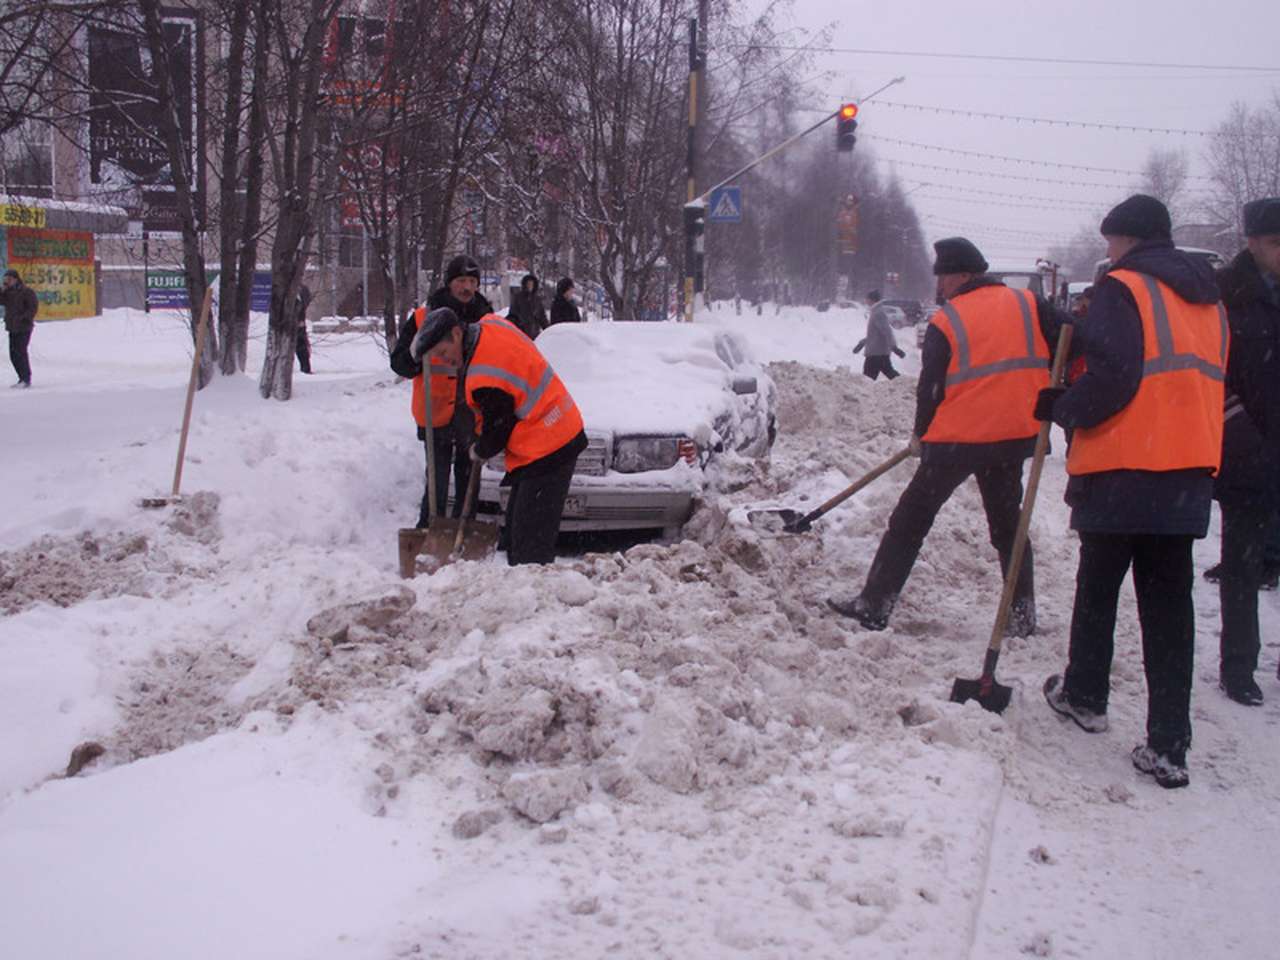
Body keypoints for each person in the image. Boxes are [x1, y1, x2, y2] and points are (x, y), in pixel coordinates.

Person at [1036, 194, 1225, 790]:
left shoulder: (1124, 287)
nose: (1109, 251)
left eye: (1111, 241)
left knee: (1098, 587)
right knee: (1169, 608)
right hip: (1186, 470)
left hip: (1123, 465)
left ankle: (1085, 694)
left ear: (1129, 239)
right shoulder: (1209, 298)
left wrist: (1064, 406)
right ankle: (1169, 744)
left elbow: (1115, 376)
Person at [828, 237, 1059, 636]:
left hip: (958, 441)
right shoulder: (1030, 305)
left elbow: (931, 388)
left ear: (964, 276)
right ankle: (1022, 616)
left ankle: (875, 603)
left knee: (909, 520)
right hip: (1012, 436)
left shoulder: (948, 320)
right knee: (1010, 527)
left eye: (945, 278)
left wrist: (921, 434)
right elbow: (1070, 340)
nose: (941, 286)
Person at [413, 309, 588, 565]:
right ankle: (527, 578)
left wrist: (479, 450)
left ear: (457, 333)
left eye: (443, 351)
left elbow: (498, 429)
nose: (444, 359)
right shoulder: (490, 325)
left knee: (529, 545)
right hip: (554, 430)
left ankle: (534, 585)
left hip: (550, 444)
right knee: (517, 535)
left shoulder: (484, 375)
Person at [1208, 197, 1280, 704]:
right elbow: (1211, 375)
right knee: (1242, 565)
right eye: (1276, 243)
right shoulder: (1225, 296)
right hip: (1245, 452)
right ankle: (1238, 667)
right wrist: (1244, 439)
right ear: (1252, 242)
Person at [390, 255, 494, 526]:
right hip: (435, 411)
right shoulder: (424, 318)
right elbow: (399, 363)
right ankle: (429, 531)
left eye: (472, 281)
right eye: (461, 281)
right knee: (436, 483)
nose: (467, 287)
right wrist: (416, 356)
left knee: (469, 482)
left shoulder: (487, 320)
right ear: (449, 283)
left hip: (471, 413)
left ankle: (463, 532)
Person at [852, 289, 907, 380]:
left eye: (867, 298)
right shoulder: (876, 311)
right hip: (878, 352)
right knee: (889, 373)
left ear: (872, 299)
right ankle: (904, 384)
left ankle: (904, 384)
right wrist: (861, 343)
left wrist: (894, 347)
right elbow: (874, 334)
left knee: (867, 379)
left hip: (876, 353)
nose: (866, 300)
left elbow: (886, 331)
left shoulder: (878, 313)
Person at [2, 268, 39, 388]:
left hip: (24, 327)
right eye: (5, 279)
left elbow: (33, 308)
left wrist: (24, 318)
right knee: (13, 354)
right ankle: (21, 378)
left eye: (9, 279)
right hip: (12, 327)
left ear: (16, 279)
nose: (7, 281)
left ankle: (26, 378)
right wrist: (2, 290)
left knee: (21, 352)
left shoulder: (26, 292)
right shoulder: (7, 293)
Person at [507, 273, 548, 340]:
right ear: (525, 285)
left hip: (534, 333)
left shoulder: (537, 299)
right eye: (528, 284)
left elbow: (542, 317)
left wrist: (548, 330)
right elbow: (513, 314)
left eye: (532, 284)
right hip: (521, 332)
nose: (530, 286)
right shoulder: (518, 297)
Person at [295, 283, 313, 374]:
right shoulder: (301, 289)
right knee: (301, 346)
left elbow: (302, 306)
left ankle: (305, 368)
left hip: (298, 323)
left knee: (301, 347)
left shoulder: (300, 290)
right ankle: (305, 367)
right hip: (298, 323)